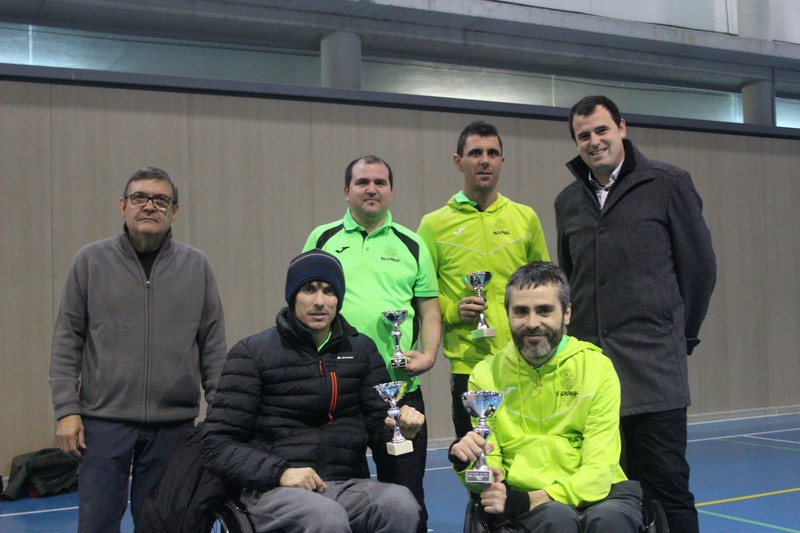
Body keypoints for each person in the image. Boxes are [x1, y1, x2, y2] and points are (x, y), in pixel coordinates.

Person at [555, 95, 717, 533]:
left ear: (622, 127)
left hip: (655, 371)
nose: (594, 141)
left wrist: (678, 337)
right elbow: (570, 283)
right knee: (608, 494)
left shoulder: (668, 184)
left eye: (602, 130)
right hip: (593, 379)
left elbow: (699, 269)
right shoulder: (567, 201)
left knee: (667, 488)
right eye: (583, 135)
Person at [49, 166, 228, 533]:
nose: (150, 206)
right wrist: (67, 409)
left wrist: (222, 414)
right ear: (123, 206)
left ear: (174, 210)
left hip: (174, 425)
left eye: (160, 199)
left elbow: (213, 345)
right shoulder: (90, 261)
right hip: (103, 422)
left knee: (163, 524)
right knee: (97, 523)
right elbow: (67, 338)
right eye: (140, 198)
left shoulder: (196, 266)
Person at [202, 250, 423, 533]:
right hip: (271, 490)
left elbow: (380, 429)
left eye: (329, 291)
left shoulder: (362, 350)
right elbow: (216, 443)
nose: (320, 301)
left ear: (338, 300)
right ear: (293, 295)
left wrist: (403, 431)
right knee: (325, 517)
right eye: (309, 289)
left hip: (345, 485)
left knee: (400, 503)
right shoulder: (251, 353)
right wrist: (279, 472)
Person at [449, 261, 643, 533]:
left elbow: (600, 467)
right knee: (556, 519)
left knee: (609, 521)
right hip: (526, 498)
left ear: (566, 314)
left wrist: (533, 499)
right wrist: (467, 462)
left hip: (601, 492)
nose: (531, 323)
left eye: (544, 311)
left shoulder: (598, 368)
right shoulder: (485, 374)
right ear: (507, 315)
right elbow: (490, 467)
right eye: (520, 312)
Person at [303, 155, 441, 532]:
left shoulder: (412, 244)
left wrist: (428, 354)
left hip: (401, 393)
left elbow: (429, 308)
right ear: (346, 191)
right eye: (362, 182)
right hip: (340, 393)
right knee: (343, 498)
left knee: (408, 499)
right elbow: (304, 302)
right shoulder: (323, 238)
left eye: (380, 182)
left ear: (391, 192)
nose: (372, 188)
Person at [417, 120, 550, 439]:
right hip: (469, 365)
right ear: (458, 161)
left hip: (525, 357)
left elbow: (546, 287)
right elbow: (422, 292)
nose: (485, 160)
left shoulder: (525, 218)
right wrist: (452, 311)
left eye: (493, 153)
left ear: (502, 160)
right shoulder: (434, 225)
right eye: (475, 153)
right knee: (478, 460)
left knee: (530, 456)